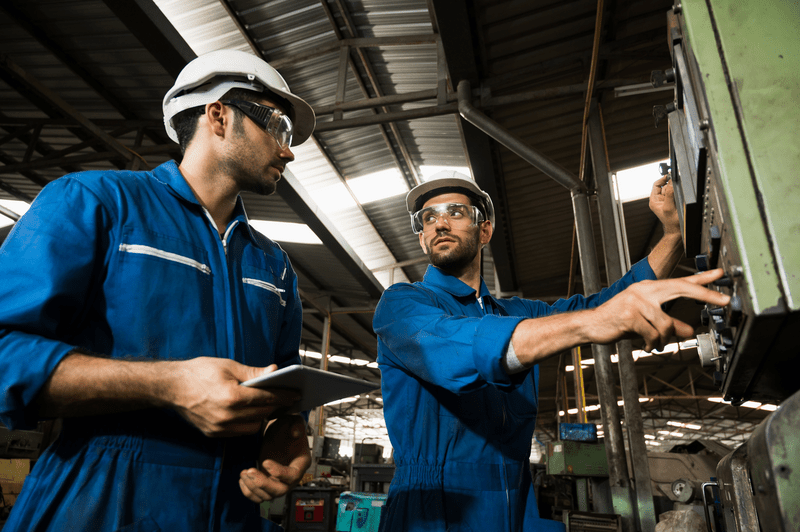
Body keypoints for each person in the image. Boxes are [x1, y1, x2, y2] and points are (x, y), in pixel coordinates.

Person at [0, 50, 317, 531]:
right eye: (278, 127)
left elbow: (280, 392)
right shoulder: (97, 202)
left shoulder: (273, 265)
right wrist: (168, 385)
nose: (288, 151)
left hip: (231, 510)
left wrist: (284, 434)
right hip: (101, 500)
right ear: (219, 115)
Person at [373, 170, 730, 531]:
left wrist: (672, 235)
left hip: (514, 500)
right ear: (421, 239)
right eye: (428, 218)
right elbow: (453, 346)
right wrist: (588, 323)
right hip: (433, 507)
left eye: (455, 212)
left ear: (485, 231)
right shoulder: (402, 306)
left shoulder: (520, 314)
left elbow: (603, 305)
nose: (440, 224)